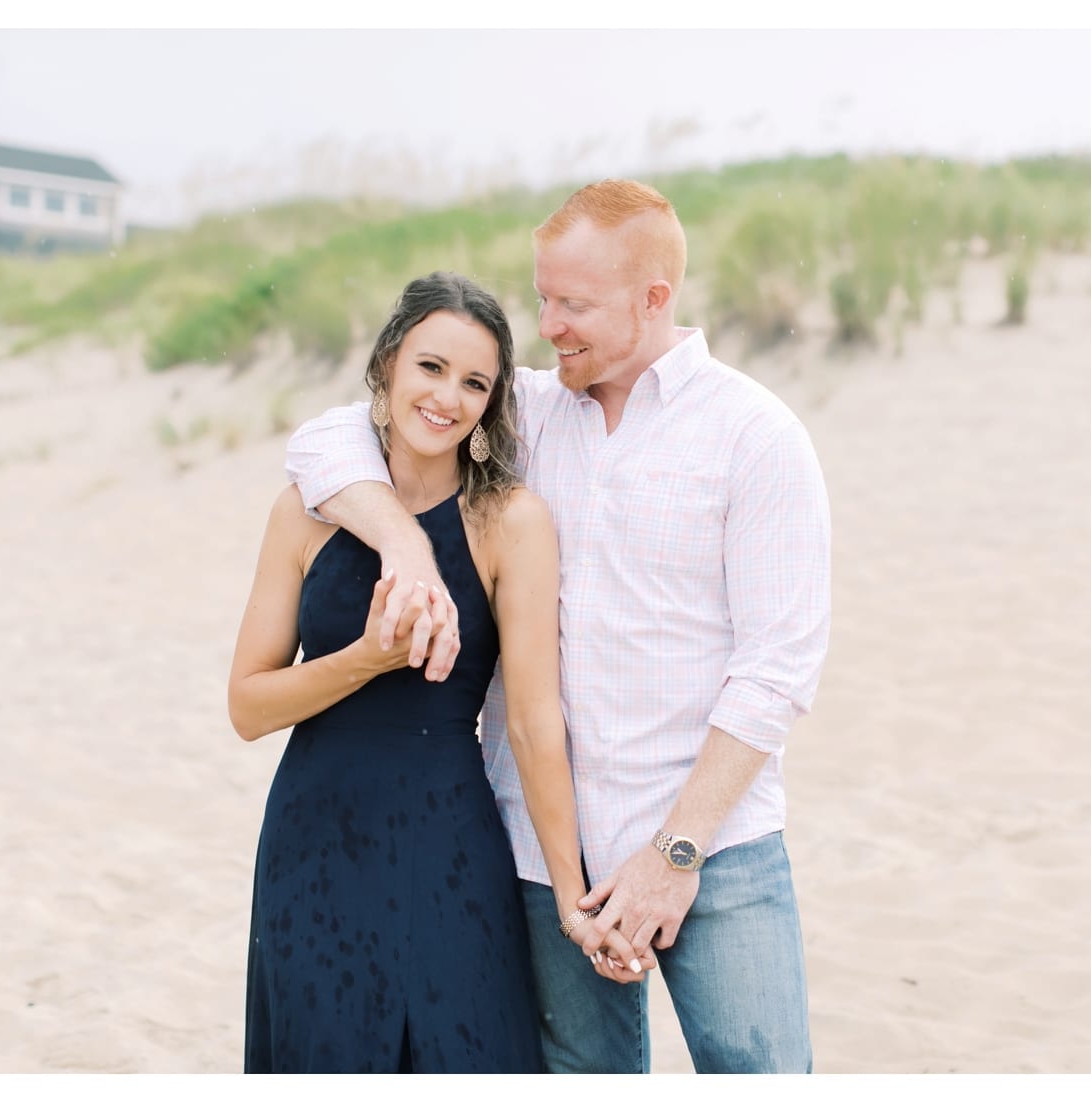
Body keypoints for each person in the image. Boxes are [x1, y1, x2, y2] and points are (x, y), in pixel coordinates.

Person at [284, 180, 832, 1074]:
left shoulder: (756, 437)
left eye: (572, 304)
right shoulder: (525, 412)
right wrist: (404, 548)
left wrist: (674, 854)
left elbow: (777, 673)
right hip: (546, 858)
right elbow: (323, 439)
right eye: (543, 297)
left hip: (715, 850)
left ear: (654, 299)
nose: (548, 325)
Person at [228, 271, 623, 1073]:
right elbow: (248, 706)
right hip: (314, 843)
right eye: (431, 368)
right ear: (386, 366)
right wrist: (366, 660)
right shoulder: (304, 512)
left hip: (448, 843)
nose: (448, 398)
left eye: (475, 382)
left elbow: (533, 720)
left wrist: (572, 898)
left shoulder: (509, 521)